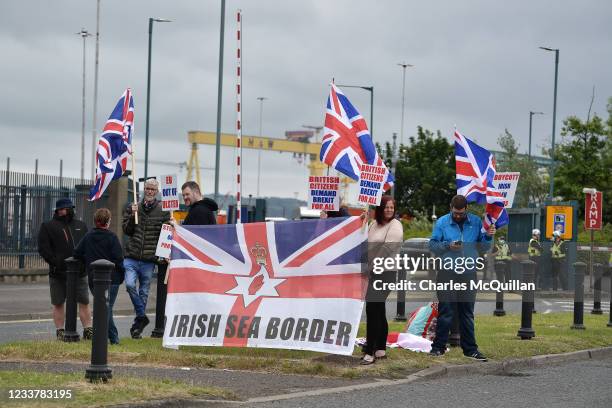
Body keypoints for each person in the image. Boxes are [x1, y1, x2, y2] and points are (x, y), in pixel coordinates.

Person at [428, 195, 494, 362]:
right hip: (447, 272)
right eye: (455, 213)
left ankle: (470, 350)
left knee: (467, 313)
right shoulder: (442, 222)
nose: (458, 216)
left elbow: (483, 247)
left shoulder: (476, 222)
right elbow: (432, 245)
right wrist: (448, 246)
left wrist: (488, 236)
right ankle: (438, 347)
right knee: (446, 311)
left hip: (468, 273)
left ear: (466, 210)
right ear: (451, 208)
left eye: (461, 213)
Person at [37, 198, 92, 340]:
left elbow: (87, 245)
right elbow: (43, 249)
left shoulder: (81, 225)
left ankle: (88, 330)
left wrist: (84, 262)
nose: (65, 211)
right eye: (62, 209)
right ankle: (60, 331)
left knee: (84, 302)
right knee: (58, 302)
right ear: (57, 210)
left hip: (80, 272)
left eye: (67, 208)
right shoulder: (48, 226)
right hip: (58, 273)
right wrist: (56, 263)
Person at [123, 178, 170, 339]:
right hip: (132, 255)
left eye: (152, 189)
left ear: (156, 192)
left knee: (143, 292)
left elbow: (167, 233)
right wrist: (132, 215)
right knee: (129, 284)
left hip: (149, 259)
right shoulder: (133, 207)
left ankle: (137, 328)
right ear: (144, 190)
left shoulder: (163, 210)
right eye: (147, 188)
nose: (150, 191)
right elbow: (127, 230)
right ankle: (142, 316)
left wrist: (172, 223)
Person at [361, 196, 404, 365]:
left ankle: (369, 350)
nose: (389, 210)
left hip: (385, 272)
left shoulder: (396, 225)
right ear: (380, 208)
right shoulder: (374, 224)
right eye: (386, 207)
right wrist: (362, 221)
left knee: (372, 309)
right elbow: (364, 242)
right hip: (373, 272)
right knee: (378, 310)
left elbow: (388, 248)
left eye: (391, 207)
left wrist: (372, 264)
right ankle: (380, 349)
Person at [74, 208, 125, 345]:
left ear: (95, 221)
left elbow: (77, 253)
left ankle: (105, 338)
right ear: (108, 222)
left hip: (94, 278)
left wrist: (87, 259)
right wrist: (121, 276)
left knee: (104, 307)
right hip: (112, 278)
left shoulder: (88, 236)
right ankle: (112, 339)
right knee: (106, 308)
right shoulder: (112, 237)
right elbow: (119, 259)